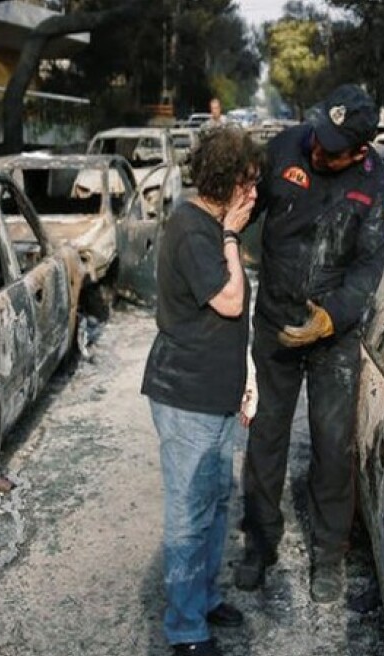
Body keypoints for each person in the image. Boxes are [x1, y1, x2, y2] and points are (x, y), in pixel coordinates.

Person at [236, 84, 384, 604]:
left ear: (361, 149)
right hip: (275, 323)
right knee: (265, 437)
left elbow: (368, 268)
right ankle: (260, 544)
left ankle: (328, 555)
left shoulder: (377, 184)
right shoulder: (286, 147)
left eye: (333, 148)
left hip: (333, 338)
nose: (318, 150)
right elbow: (244, 209)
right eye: (319, 137)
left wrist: (331, 319)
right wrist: (221, 235)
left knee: (332, 445)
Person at [142, 126, 262, 656]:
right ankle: (186, 629)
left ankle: (204, 598)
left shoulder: (211, 224)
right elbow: (230, 302)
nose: (254, 193)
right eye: (247, 183)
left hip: (216, 392)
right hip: (186, 394)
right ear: (223, 182)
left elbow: (233, 324)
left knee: (215, 503)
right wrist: (232, 236)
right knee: (189, 514)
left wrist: (245, 378)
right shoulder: (195, 230)